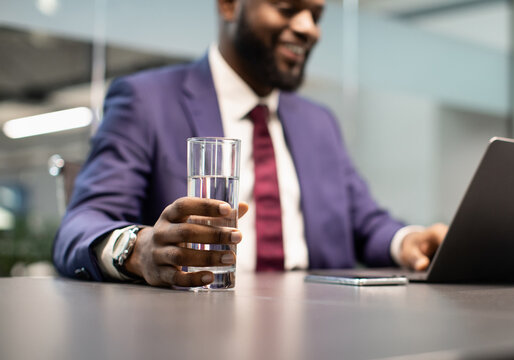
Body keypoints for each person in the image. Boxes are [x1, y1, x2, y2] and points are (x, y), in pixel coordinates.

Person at [53, 0, 448, 288]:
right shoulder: (146, 101)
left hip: (320, 327)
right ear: (228, 5)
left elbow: (365, 223)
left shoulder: (319, 122)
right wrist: (138, 250)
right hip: (193, 328)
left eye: (317, 15)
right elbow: (80, 226)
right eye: (288, 8)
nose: (310, 28)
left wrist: (407, 241)